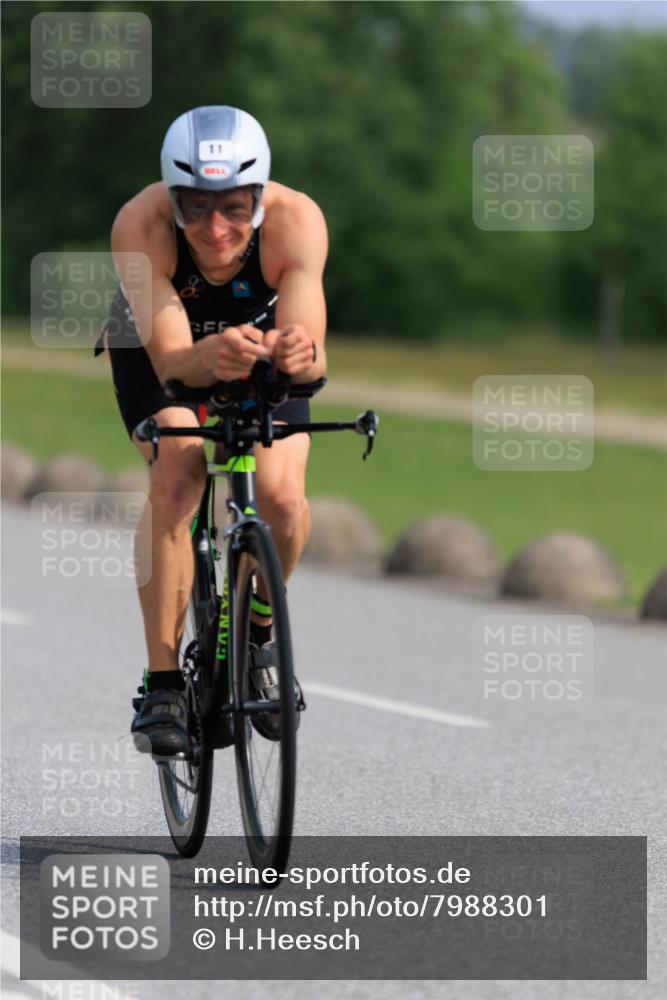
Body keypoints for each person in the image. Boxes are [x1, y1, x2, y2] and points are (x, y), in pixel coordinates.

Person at [96, 105, 328, 754]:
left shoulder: (297, 221)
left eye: (233, 206)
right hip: (155, 344)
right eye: (194, 207)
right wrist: (212, 355)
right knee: (178, 473)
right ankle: (164, 681)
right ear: (170, 198)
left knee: (281, 498)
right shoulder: (140, 226)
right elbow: (172, 361)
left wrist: (301, 354)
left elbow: (311, 338)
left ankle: (258, 634)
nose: (215, 228)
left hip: (255, 343)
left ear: (259, 196)